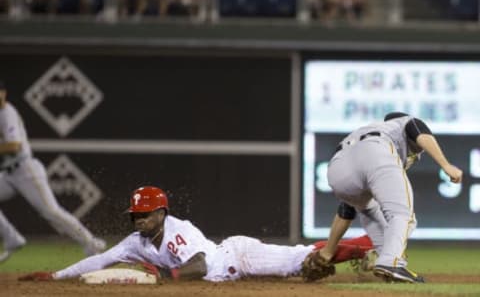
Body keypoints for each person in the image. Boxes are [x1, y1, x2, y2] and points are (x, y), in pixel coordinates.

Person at [18, 186, 374, 282]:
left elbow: (200, 267)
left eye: (145, 214)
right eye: (135, 215)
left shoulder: (177, 230)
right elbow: (102, 259)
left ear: (161, 212)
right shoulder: (137, 241)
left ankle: (372, 246)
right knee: (301, 262)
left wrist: (164, 278)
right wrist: (57, 275)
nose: (139, 220)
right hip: (230, 270)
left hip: (237, 256)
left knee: (304, 262)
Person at [314, 112, 463, 283]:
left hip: (336, 169)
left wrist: (328, 250)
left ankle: (383, 259)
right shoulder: (402, 122)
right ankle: (391, 263)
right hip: (376, 149)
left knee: (369, 209)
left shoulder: (365, 130)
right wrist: (446, 165)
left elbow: (346, 210)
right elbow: (418, 129)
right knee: (403, 215)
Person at [0, 81, 106, 263]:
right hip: (8, 174)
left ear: (4, 92)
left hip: (25, 170)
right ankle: (12, 239)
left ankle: (90, 242)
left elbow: (14, 145)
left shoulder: (6, 112)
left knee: (51, 212)